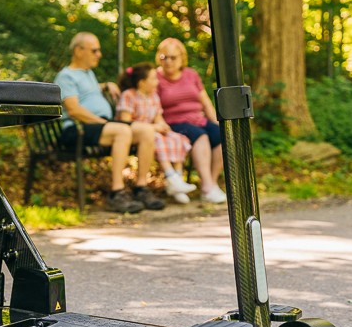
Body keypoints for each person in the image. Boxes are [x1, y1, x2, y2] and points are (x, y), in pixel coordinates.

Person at [54, 32, 164, 213]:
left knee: (146, 131)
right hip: (77, 129)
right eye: (94, 50)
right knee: (122, 131)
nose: (99, 54)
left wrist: (105, 85)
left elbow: (87, 92)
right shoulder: (65, 76)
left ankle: (141, 188)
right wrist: (102, 122)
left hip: (99, 126)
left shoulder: (88, 74)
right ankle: (116, 192)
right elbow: (73, 110)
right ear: (78, 51)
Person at [155, 37, 226, 203]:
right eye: (164, 57)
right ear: (159, 58)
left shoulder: (190, 75)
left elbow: (205, 101)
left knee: (220, 136)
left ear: (182, 58)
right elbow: (153, 107)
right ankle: (208, 187)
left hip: (198, 119)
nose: (169, 62)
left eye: (173, 57)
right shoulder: (156, 78)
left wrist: (216, 121)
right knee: (201, 136)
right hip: (174, 122)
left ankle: (211, 183)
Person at [116, 63, 197, 204]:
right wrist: (154, 127)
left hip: (153, 130)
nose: (157, 82)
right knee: (157, 139)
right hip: (136, 133)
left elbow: (159, 118)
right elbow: (126, 121)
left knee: (177, 138)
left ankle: (176, 181)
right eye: (153, 79)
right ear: (142, 83)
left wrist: (163, 126)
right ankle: (171, 176)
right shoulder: (129, 95)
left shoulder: (153, 96)